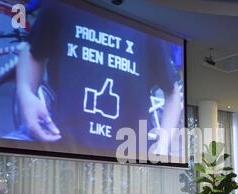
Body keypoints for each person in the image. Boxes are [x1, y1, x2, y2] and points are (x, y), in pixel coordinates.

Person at [16, 0, 183, 155]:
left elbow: (173, 92)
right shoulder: (61, 5)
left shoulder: (148, 24)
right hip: (64, 147)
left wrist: (163, 143)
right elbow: (33, 52)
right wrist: (26, 93)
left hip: (130, 160)